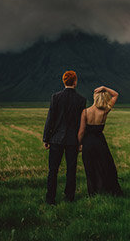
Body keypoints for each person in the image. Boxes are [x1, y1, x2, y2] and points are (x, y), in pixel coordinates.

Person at [42, 70, 87, 204]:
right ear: (75, 82)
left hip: (56, 139)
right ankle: (69, 197)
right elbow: (81, 124)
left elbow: (50, 118)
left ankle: (50, 199)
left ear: (64, 81)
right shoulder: (81, 100)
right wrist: (81, 142)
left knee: (53, 170)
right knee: (71, 170)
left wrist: (46, 138)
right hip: (72, 140)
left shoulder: (55, 97)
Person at [77, 85, 123, 196]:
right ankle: (107, 189)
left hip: (88, 143)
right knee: (105, 166)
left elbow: (81, 131)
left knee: (90, 167)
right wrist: (105, 88)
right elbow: (116, 94)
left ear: (94, 97)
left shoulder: (85, 112)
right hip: (100, 142)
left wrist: (79, 144)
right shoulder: (105, 111)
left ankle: (93, 192)